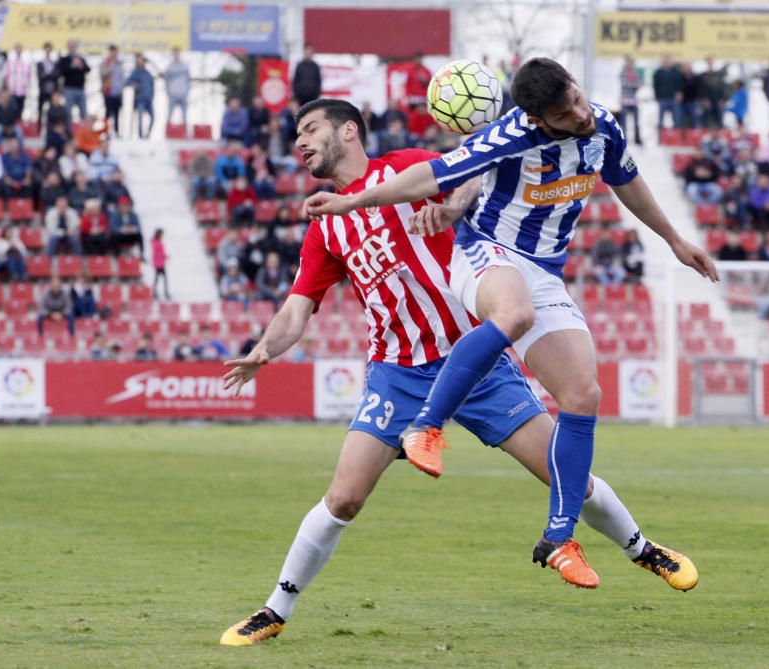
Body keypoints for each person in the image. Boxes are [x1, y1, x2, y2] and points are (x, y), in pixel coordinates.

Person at [219, 98, 697, 646]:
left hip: (477, 362)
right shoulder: (327, 226)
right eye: (296, 135)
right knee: (345, 497)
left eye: (309, 130)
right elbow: (296, 308)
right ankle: (274, 610)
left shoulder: (407, 167)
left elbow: (480, 177)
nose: (299, 142)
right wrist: (264, 349)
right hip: (397, 373)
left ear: (348, 130)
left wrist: (451, 206)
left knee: (565, 473)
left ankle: (644, 549)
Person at [303, 61, 712, 586]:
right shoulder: (509, 136)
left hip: (544, 271)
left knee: (583, 395)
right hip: (486, 254)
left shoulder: (603, 124)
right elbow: (431, 175)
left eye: (578, 98)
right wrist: (352, 201)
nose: (581, 113)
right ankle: (426, 426)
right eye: (566, 113)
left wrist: (674, 239)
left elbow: (626, 181)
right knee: (513, 315)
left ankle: (562, 535)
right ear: (539, 120)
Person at [57, 40, 90, 122]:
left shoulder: (81, 59)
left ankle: (84, 132)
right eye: (71, 46)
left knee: (84, 112)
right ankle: (69, 132)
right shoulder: (65, 59)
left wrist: (81, 66)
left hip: (81, 89)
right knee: (68, 112)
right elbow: (61, 71)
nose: (72, 48)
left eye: (74, 46)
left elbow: (88, 69)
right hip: (69, 89)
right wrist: (72, 66)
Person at [125, 54, 155, 139]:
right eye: (140, 61)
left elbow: (152, 85)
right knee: (140, 117)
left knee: (153, 117)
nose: (142, 63)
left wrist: (152, 94)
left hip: (148, 100)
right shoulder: (135, 73)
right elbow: (127, 82)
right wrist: (133, 84)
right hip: (140, 99)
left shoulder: (148, 73)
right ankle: (140, 136)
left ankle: (147, 135)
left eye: (143, 61)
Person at [100, 45, 125, 137]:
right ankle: (105, 132)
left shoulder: (120, 63)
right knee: (108, 113)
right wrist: (110, 67)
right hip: (108, 92)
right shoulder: (105, 63)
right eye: (112, 51)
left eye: (115, 51)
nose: (114, 53)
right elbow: (102, 74)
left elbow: (121, 77)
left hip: (117, 92)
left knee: (117, 113)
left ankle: (117, 132)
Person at [652, 55, 682, 129]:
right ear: (662, 62)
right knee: (661, 120)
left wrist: (679, 93)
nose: (667, 63)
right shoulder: (658, 73)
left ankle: (676, 135)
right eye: (665, 61)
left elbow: (679, 84)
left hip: (674, 99)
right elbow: (656, 86)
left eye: (668, 61)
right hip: (663, 99)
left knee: (677, 119)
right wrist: (657, 97)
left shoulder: (676, 73)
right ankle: (660, 136)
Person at [164, 47, 190, 126]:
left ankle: (185, 134)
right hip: (173, 94)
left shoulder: (185, 66)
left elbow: (188, 80)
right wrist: (168, 92)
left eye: (177, 53)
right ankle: (168, 133)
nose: (176, 55)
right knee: (169, 115)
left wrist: (187, 91)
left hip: (183, 94)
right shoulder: (170, 67)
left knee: (184, 117)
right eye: (174, 53)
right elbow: (166, 81)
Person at [618, 55, 641, 145]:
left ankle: (637, 138)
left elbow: (639, 84)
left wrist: (632, 84)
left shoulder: (636, 72)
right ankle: (624, 138)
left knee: (636, 121)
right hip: (625, 100)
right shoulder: (622, 72)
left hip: (634, 101)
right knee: (624, 121)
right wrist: (633, 84)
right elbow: (625, 83)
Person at [37, 42, 60, 126]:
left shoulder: (55, 63)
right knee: (40, 110)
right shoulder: (40, 64)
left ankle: (53, 126)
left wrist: (47, 75)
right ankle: (39, 128)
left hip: (52, 91)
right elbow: (41, 76)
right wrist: (49, 76)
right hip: (43, 90)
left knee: (54, 110)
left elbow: (56, 76)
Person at [151, 228, 170, 300]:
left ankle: (158, 292)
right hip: (158, 263)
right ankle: (160, 292)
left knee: (159, 278)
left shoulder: (157, 242)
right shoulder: (155, 242)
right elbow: (157, 253)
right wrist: (163, 256)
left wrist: (165, 256)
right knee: (160, 278)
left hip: (161, 262)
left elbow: (161, 252)